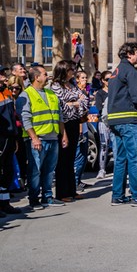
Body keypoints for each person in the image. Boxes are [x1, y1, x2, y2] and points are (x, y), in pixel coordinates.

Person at [107, 42, 137, 206]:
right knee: (136, 158)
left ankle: (118, 195)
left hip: (115, 121)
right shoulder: (131, 71)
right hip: (129, 121)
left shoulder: (116, 71)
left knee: (121, 159)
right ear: (129, 54)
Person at [18, 65, 67, 208]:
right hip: (38, 138)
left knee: (49, 170)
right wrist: (34, 138)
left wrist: (63, 135)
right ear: (36, 77)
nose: (48, 76)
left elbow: (60, 117)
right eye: (45, 74)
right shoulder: (26, 95)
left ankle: (47, 197)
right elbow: (25, 119)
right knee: (35, 170)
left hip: (52, 137)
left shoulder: (51, 94)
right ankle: (34, 199)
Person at [51, 60, 88, 202]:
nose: (73, 72)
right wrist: (75, 103)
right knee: (63, 159)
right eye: (71, 69)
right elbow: (61, 106)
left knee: (71, 158)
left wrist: (73, 103)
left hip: (74, 122)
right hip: (63, 124)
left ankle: (72, 190)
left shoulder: (72, 85)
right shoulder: (56, 86)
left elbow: (85, 100)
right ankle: (62, 192)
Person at [0, 75, 22, 214]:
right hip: (0, 137)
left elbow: (12, 116)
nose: (3, 77)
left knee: (8, 172)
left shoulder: (6, 92)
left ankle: (4, 203)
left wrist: (15, 137)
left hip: (9, 137)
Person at [92, 71, 112, 180]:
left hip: (114, 121)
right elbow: (100, 107)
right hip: (103, 122)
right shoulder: (100, 93)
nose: (110, 81)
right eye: (108, 79)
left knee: (118, 147)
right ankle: (102, 169)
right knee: (104, 145)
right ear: (103, 81)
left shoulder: (115, 91)